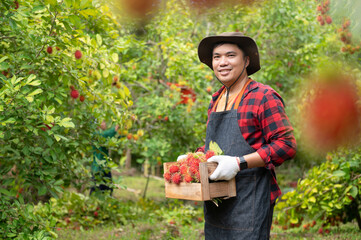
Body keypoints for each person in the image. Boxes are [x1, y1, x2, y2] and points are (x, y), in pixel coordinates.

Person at [178, 32, 297, 239]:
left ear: (246, 61)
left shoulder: (263, 96)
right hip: (217, 204)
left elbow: (286, 145)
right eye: (217, 57)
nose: (222, 62)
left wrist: (239, 163)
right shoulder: (216, 99)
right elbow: (214, 149)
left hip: (249, 202)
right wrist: (193, 159)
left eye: (230, 55)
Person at [90, 120, 119, 196]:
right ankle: (92, 204)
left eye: (104, 122)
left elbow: (115, 136)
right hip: (98, 167)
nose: (104, 124)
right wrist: (115, 128)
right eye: (102, 122)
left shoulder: (104, 135)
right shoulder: (96, 135)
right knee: (96, 188)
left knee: (108, 188)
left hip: (105, 167)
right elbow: (105, 134)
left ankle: (104, 205)